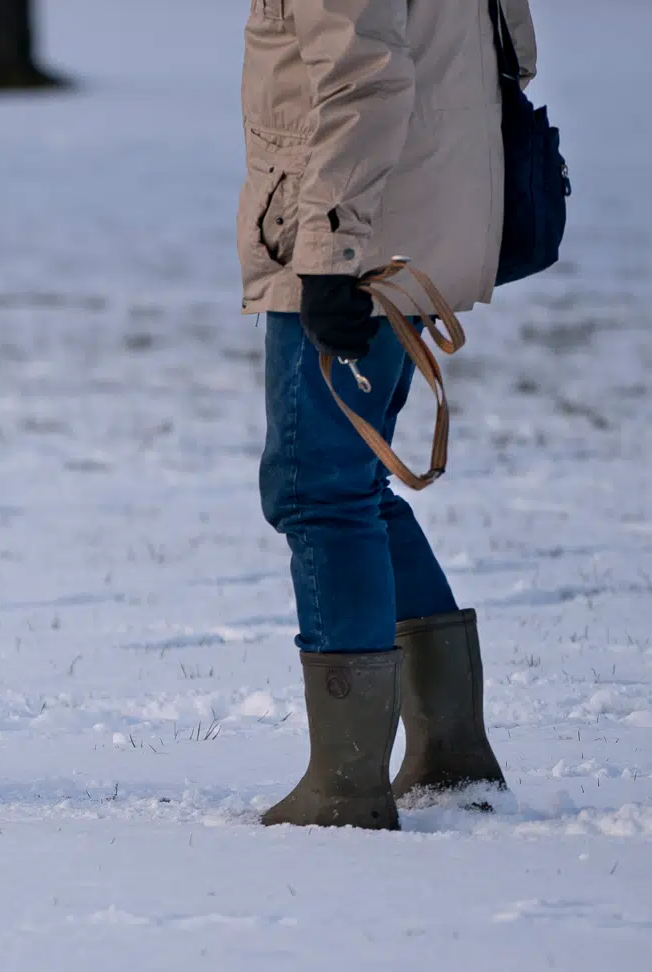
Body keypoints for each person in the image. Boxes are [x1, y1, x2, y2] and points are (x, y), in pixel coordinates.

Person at [237, 0, 537, 829]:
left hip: (360, 240)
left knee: (317, 488)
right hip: (406, 218)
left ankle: (346, 786)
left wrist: (331, 256)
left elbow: (365, 78)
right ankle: (450, 752)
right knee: (351, 482)